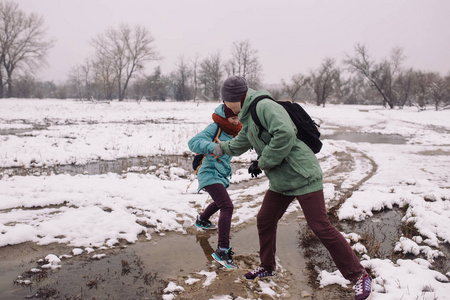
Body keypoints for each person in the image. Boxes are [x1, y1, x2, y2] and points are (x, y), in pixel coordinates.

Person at [212, 76, 373, 300]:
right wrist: (220, 148)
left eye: (225, 101)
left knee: (320, 226)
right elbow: (242, 142)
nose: (224, 106)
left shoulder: (264, 106)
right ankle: (267, 266)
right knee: (265, 220)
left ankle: (359, 275)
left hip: (303, 174)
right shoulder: (247, 115)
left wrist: (262, 162)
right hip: (281, 181)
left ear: (235, 98)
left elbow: (285, 133)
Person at [188, 103, 242, 269]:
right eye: (232, 118)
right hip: (208, 172)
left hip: (220, 173)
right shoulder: (216, 127)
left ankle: (202, 220)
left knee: (221, 202)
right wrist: (213, 146)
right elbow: (193, 142)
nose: (235, 121)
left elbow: (237, 149)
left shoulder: (237, 131)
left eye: (238, 117)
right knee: (227, 206)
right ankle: (222, 250)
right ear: (225, 117)